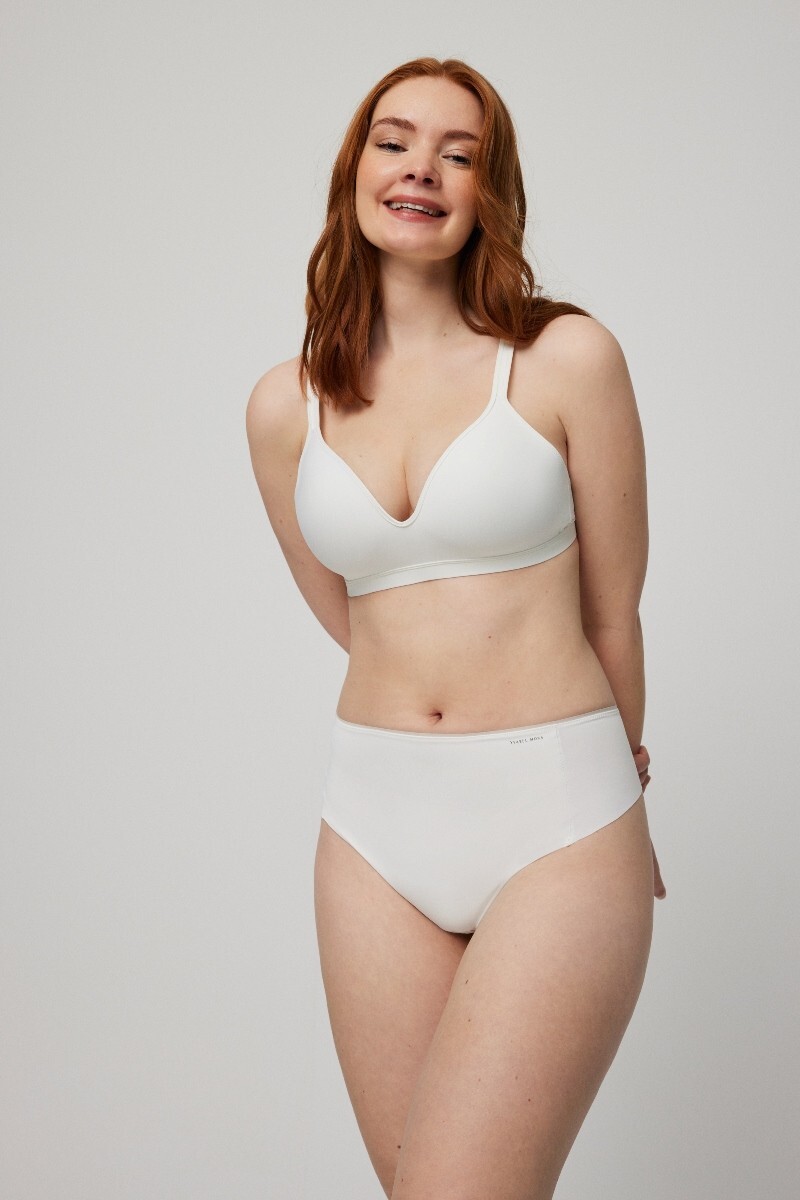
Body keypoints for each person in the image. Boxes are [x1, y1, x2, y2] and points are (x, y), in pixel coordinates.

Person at [246, 55, 666, 1200]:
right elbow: (352, 612)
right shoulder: (285, 406)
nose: (419, 169)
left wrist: (623, 789)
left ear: (490, 191)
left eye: (457, 154)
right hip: (371, 824)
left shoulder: (565, 360)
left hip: (556, 813)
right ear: (354, 171)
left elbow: (612, 612)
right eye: (392, 142)